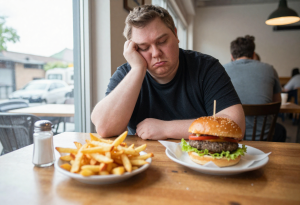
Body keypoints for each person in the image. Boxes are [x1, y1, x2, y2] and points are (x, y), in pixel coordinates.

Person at [91, 5, 245, 140]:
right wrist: (138, 70)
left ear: (176, 35)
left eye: (162, 41)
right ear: (134, 50)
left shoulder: (207, 67)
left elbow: (236, 125)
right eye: (144, 48)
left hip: (201, 161)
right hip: (146, 163)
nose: (156, 53)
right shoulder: (127, 73)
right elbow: (104, 128)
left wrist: (166, 129)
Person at [223, 35, 286, 142]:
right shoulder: (270, 69)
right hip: (265, 136)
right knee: (281, 130)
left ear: (232, 56)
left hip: (230, 137)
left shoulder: (222, 70)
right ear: (253, 54)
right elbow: (277, 103)